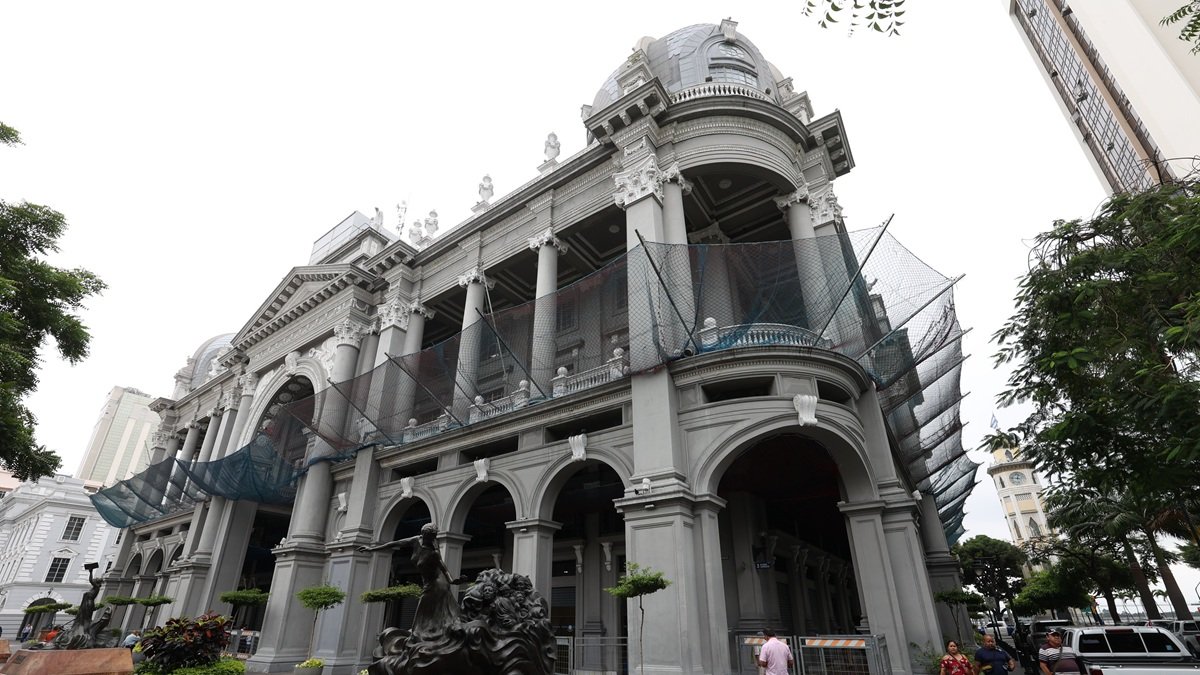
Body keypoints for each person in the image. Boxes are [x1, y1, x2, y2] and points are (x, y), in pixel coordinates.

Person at [359, 522, 469, 639]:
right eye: (428, 536)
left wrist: (454, 581)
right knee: (431, 611)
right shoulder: (416, 540)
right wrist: (372, 549)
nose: (430, 539)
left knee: (424, 608)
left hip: (437, 583)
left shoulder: (434, 552)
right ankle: (427, 634)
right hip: (427, 583)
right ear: (423, 534)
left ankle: (417, 636)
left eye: (432, 537)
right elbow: (395, 543)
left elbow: (444, 569)